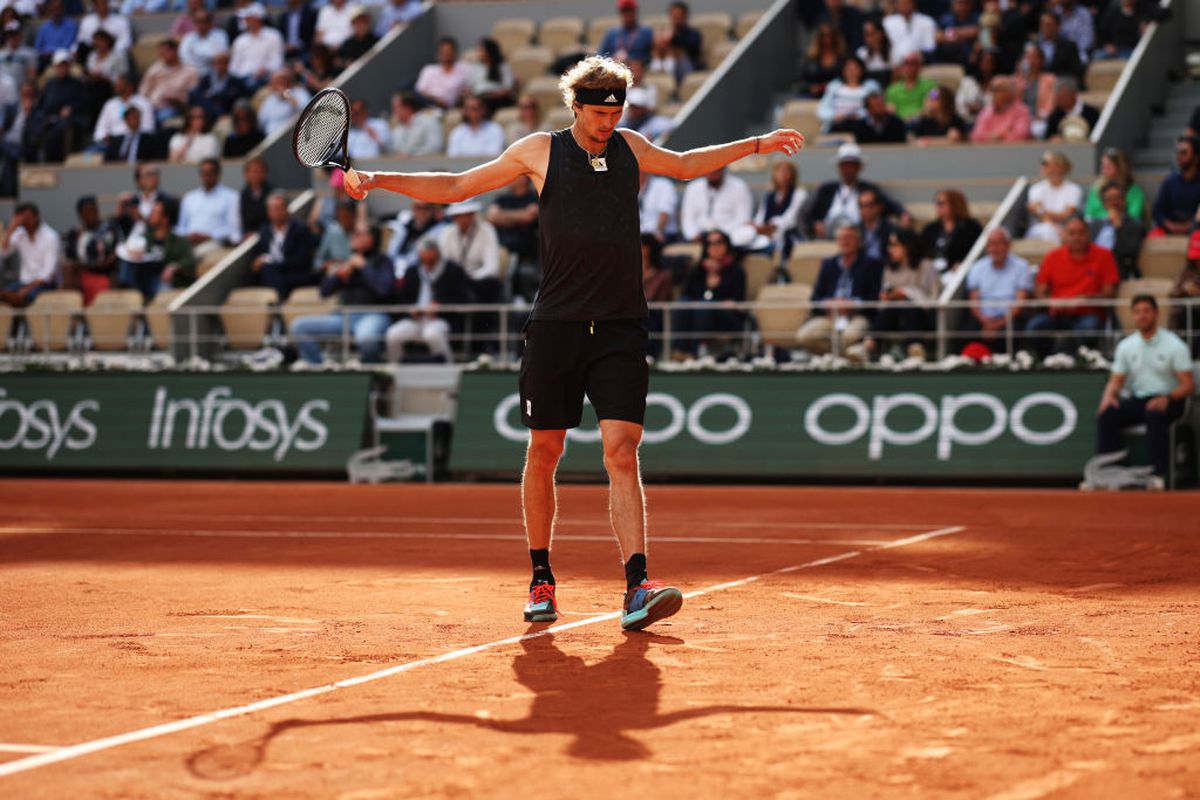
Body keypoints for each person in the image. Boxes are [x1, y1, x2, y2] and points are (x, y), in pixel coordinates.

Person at [342, 53, 803, 630]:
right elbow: (459, 186)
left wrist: (757, 144)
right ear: (576, 107)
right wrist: (380, 179)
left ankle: (638, 584)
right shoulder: (540, 150)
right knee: (545, 452)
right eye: (599, 112)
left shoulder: (631, 146)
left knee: (622, 451)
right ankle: (542, 579)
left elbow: (684, 165)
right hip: (557, 326)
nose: (609, 122)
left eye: (617, 111)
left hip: (620, 326)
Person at [1095, 295, 1194, 488]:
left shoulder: (1174, 345)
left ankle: (1157, 475)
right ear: (1133, 316)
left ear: (1156, 314)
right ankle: (1107, 473)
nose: (1142, 316)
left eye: (1147, 311)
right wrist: (1108, 397)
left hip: (1171, 399)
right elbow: (1116, 381)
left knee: (1153, 413)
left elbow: (1188, 385)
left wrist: (1167, 397)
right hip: (1140, 399)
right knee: (1108, 414)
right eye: (1138, 312)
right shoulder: (1126, 345)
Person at [290, 223, 394, 365]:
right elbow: (324, 292)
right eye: (354, 233)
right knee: (299, 327)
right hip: (343, 316)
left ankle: (371, 374)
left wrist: (364, 266)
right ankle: (319, 368)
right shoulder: (347, 262)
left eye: (359, 233)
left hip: (372, 314)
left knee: (366, 339)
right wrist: (338, 275)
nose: (353, 236)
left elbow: (383, 290)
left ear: (371, 238)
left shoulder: (384, 261)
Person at [1025, 214, 1119, 357]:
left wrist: (1083, 299)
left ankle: (1077, 362)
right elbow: (1040, 292)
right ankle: (1048, 361)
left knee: (1089, 327)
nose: (1076, 237)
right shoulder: (1052, 257)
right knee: (1033, 328)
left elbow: (1109, 292)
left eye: (1081, 233)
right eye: (1072, 233)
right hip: (1056, 313)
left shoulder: (1104, 255)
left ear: (1088, 234)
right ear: (1064, 235)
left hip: (1088, 313)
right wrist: (1052, 302)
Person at [796, 222, 881, 355]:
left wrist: (852, 304)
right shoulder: (828, 264)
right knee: (805, 336)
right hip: (830, 315)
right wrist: (829, 303)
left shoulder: (871, 264)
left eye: (849, 238)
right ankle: (845, 357)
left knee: (849, 337)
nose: (845, 242)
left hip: (856, 316)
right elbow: (815, 297)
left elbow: (874, 297)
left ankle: (839, 360)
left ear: (858, 241)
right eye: (841, 238)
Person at [385, 237, 472, 363]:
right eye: (423, 260)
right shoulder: (413, 271)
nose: (427, 265)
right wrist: (411, 309)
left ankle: (448, 371)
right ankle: (394, 373)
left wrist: (440, 307)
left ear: (438, 255)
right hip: (416, 319)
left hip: (441, 319)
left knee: (432, 334)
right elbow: (402, 298)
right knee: (393, 335)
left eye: (431, 261)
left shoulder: (454, 271)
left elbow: (463, 299)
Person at [669, 228, 745, 357]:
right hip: (698, 311)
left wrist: (715, 290)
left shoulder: (736, 270)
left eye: (719, 243)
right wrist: (708, 287)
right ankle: (680, 350)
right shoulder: (699, 269)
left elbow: (735, 301)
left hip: (726, 317)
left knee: (705, 306)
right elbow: (687, 293)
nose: (715, 247)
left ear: (727, 245)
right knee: (684, 302)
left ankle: (696, 351)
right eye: (710, 244)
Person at [804, 142, 903, 240]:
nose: (848, 170)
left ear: (859, 168)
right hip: (828, 236)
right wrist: (815, 225)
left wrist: (903, 215)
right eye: (844, 166)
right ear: (839, 168)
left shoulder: (869, 189)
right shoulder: (826, 190)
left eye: (851, 166)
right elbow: (808, 216)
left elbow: (890, 206)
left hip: (859, 238)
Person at [865, 227, 937, 360]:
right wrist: (887, 297)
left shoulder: (927, 266)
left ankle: (915, 347)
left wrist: (905, 293)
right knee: (894, 306)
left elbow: (932, 300)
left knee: (906, 305)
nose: (889, 249)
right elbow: (883, 301)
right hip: (892, 317)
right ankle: (868, 345)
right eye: (889, 245)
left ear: (908, 246)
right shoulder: (889, 269)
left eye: (894, 245)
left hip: (921, 318)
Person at [963, 227, 1032, 351]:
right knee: (966, 331)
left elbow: (1020, 302)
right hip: (983, 318)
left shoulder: (1021, 266)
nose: (994, 248)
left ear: (1008, 245)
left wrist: (999, 324)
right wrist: (985, 322)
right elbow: (974, 301)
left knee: (1016, 330)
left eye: (998, 243)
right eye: (991, 244)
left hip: (1010, 318)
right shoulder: (977, 268)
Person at [115, 198, 195, 301]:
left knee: (164, 291)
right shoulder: (145, 238)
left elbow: (189, 260)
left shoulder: (178, 241)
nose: (150, 215)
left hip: (165, 282)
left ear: (165, 219)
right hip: (143, 281)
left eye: (155, 212)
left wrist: (173, 267)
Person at [250, 191, 316, 300]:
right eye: (272, 209)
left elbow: (302, 259)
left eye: (278, 208)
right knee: (267, 271)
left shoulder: (300, 229)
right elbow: (258, 253)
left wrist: (274, 262)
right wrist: (257, 261)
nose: (276, 213)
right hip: (271, 273)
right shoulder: (264, 230)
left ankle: (279, 305)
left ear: (286, 209)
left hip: (294, 272)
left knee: (271, 271)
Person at [61, 195, 120, 305]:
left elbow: (113, 257)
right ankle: (73, 312)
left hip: (102, 272)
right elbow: (70, 257)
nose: (91, 215)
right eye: (86, 212)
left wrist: (93, 265)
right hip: (79, 274)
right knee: (68, 270)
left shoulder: (109, 230)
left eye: (93, 210)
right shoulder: (75, 232)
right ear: (80, 215)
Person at [177, 158, 241, 257]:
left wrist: (210, 236)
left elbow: (233, 228)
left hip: (214, 243)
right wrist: (188, 236)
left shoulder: (231, 197)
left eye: (210, 172)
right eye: (204, 172)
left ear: (218, 174)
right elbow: (181, 227)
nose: (207, 176)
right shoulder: (189, 197)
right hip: (188, 243)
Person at [0, 203, 59, 308]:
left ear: (37, 216)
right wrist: (12, 227)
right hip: (24, 281)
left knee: (22, 296)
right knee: (8, 295)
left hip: (44, 285)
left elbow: (48, 274)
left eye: (28, 217)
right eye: (23, 218)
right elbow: (4, 251)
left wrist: (28, 288)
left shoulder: (50, 236)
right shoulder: (20, 233)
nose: (26, 221)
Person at [679, 166, 755, 245]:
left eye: (716, 170)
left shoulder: (739, 186)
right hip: (701, 235)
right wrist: (693, 235)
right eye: (710, 170)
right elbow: (688, 217)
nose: (713, 173)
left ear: (723, 170)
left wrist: (721, 236)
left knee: (748, 232)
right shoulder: (693, 187)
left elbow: (743, 218)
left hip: (729, 235)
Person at [1089, 181, 1145, 280]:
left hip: (1118, 271)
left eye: (1117, 198)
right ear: (1104, 204)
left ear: (1124, 201)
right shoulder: (1094, 225)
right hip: (1091, 271)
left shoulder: (1136, 225)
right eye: (1109, 199)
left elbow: (1128, 252)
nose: (1114, 203)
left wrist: (1119, 227)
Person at [139, 38, 200, 126]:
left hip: (175, 107)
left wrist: (178, 101)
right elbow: (143, 91)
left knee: (160, 118)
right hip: (152, 106)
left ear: (176, 51)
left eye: (166, 52)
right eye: (161, 52)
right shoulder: (154, 69)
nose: (162, 55)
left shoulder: (190, 71)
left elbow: (194, 96)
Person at [922, 188, 982, 277]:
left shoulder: (971, 227)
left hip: (960, 273)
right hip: (933, 274)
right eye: (936, 203)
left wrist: (963, 264)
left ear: (955, 204)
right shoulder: (930, 229)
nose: (937, 206)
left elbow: (977, 252)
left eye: (941, 203)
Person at [1026, 150, 1083, 243]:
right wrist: (1055, 225)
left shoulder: (1074, 189)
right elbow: (1039, 215)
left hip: (1065, 229)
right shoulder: (1036, 188)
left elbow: (1065, 215)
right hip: (1040, 229)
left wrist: (1043, 211)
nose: (1042, 166)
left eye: (1045, 163)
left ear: (1059, 167)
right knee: (1048, 230)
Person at [752, 160, 806, 257]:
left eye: (786, 171)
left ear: (792, 175)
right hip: (767, 235)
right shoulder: (769, 195)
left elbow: (790, 220)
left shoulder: (799, 194)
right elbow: (760, 216)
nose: (783, 175)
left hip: (789, 237)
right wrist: (757, 226)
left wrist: (770, 227)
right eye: (780, 171)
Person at [1150, 136, 1200, 237]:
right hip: (1169, 229)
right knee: (1153, 236)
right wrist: (1170, 225)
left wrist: (1190, 225)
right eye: (1178, 152)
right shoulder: (1169, 181)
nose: (1179, 156)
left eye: (1184, 153)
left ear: (1196, 157)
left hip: (1196, 229)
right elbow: (1158, 212)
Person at [229, 3, 284, 91]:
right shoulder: (239, 40)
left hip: (264, 80)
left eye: (247, 18)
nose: (244, 21)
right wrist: (241, 77)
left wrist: (265, 69)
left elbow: (277, 63)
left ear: (257, 18)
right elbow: (233, 68)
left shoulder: (274, 36)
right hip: (242, 81)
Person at [818, 55, 879, 133]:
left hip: (863, 125)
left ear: (862, 70)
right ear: (843, 70)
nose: (852, 72)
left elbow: (877, 108)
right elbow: (823, 109)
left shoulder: (871, 86)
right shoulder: (834, 86)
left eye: (855, 68)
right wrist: (835, 116)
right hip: (838, 124)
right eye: (849, 69)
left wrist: (860, 115)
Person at [1084, 147, 1144, 223]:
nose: (1103, 170)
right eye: (1103, 166)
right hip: (1099, 227)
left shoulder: (1135, 191)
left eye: (1108, 166)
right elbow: (1089, 214)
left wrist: (1118, 218)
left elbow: (1135, 215)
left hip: (1125, 226)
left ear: (1120, 167)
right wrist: (1107, 217)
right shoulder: (1096, 188)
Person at [487, 175, 539, 262]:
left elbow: (528, 217)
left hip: (524, 244)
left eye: (516, 176)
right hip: (499, 242)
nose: (510, 178)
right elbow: (491, 217)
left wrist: (502, 216)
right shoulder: (502, 198)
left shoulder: (534, 197)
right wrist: (519, 218)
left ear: (524, 179)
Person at [414, 36, 472, 110]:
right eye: (443, 51)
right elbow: (419, 91)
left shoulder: (465, 69)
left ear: (455, 52)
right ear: (438, 53)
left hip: (449, 107)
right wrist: (435, 99)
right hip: (427, 104)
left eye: (449, 50)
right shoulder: (429, 70)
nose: (446, 54)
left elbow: (468, 90)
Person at [384, 199, 443, 272]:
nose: (422, 212)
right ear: (413, 208)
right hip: (395, 268)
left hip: (420, 271)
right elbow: (391, 253)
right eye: (418, 207)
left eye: (426, 208)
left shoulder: (439, 229)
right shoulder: (404, 227)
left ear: (432, 210)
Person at [969, 76, 1032, 143]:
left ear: (1009, 92)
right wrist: (996, 136)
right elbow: (975, 135)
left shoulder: (1022, 111)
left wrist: (999, 136)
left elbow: (1020, 135)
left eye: (996, 90)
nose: (992, 94)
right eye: (991, 90)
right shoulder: (986, 111)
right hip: (988, 151)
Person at [446, 94, 505, 158]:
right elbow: (452, 156)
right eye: (468, 109)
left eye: (475, 109)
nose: (472, 112)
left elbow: (493, 156)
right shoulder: (457, 132)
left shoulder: (495, 130)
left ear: (483, 110)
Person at [1042, 77, 1099, 141]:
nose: (1059, 100)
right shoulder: (1055, 116)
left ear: (1073, 95)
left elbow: (1097, 135)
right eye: (1058, 97)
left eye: (1063, 97)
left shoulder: (1091, 113)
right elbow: (1047, 138)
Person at [1168, 231, 1200, 346]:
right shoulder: (1187, 269)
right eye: (1196, 258)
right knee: (1180, 313)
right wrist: (1185, 290)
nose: (1198, 262)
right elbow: (1172, 294)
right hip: (1191, 317)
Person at [884, 51, 935, 123]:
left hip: (922, 122)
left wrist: (914, 118)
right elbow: (890, 110)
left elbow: (932, 105)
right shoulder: (892, 89)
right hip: (899, 125)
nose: (909, 67)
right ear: (902, 67)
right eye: (906, 63)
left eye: (913, 63)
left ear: (920, 66)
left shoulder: (931, 85)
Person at [799, 21, 846, 99]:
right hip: (814, 97)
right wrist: (811, 88)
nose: (827, 39)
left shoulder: (843, 58)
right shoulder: (811, 59)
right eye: (823, 35)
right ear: (818, 38)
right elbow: (801, 82)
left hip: (839, 97)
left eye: (830, 35)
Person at [882, 0, 936, 66]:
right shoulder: (887, 22)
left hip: (919, 63)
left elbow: (930, 46)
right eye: (900, 3)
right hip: (894, 64)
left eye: (906, 3)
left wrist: (916, 55)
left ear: (913, 4)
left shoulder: (927, 21)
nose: (903, 5)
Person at [469, 37, 516, 113]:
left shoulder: (503, 67)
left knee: (483, 104)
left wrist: (491, 94)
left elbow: (508, 89)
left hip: (496, 98)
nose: (479, 53)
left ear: (489, 51)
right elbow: (472, 86)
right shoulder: (477, 67)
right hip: (479, 96)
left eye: (482, 50)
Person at [598, 0, 653, 64]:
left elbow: (652, 56)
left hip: (637, 68)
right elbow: (601, 56)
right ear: (620, 12)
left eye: (631, 10)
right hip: (614, 68)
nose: (628, 13)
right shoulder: (611, 34)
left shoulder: (646, 32)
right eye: (625, 10)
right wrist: (612, 59)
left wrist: (634, 61)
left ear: (636, 10)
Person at [390, 90, 442, 157]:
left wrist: (412, 156)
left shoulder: (429, 122)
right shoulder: (397, 129)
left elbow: (435, 148)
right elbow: (395, 151)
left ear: (407, 108)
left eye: (396, 108)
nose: (394, 112)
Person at [856, 185, 899, 264]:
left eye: (869, 205)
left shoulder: (891, 230)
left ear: (879, 207)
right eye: (861, 206)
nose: (865, 209)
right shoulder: (855, 230)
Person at [178, 7, 228, 72]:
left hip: (213, 71)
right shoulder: (188, 37)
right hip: (193, 72)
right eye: (198, 21)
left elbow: (220, 57)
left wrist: (198, 57)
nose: (201, 24)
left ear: (210, 22)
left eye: (205, 21)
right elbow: (184, 57)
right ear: (194, 23)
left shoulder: (220, 35)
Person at [1037, 10, 1083, 79]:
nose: (1045, 28)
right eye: (1042, 25)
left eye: (1048, 25)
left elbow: (1076, 72)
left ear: (1058, 27)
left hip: (1061, 85)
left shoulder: (1069, 47)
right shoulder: (1034, 47)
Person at [638, 169, 679, 243]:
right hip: (641, 234)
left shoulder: (664, 184)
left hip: (663, 234)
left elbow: (665, 212)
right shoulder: (628, 187)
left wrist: (658, 231)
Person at [240, 156, 272, 241]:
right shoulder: (242, 195)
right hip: (245, 238)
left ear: (265, 173)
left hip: (267, 237)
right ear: (246, 174)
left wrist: (258, 233)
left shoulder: (273, 194)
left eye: (260, 171)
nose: (256, 175)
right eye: (253, 171)